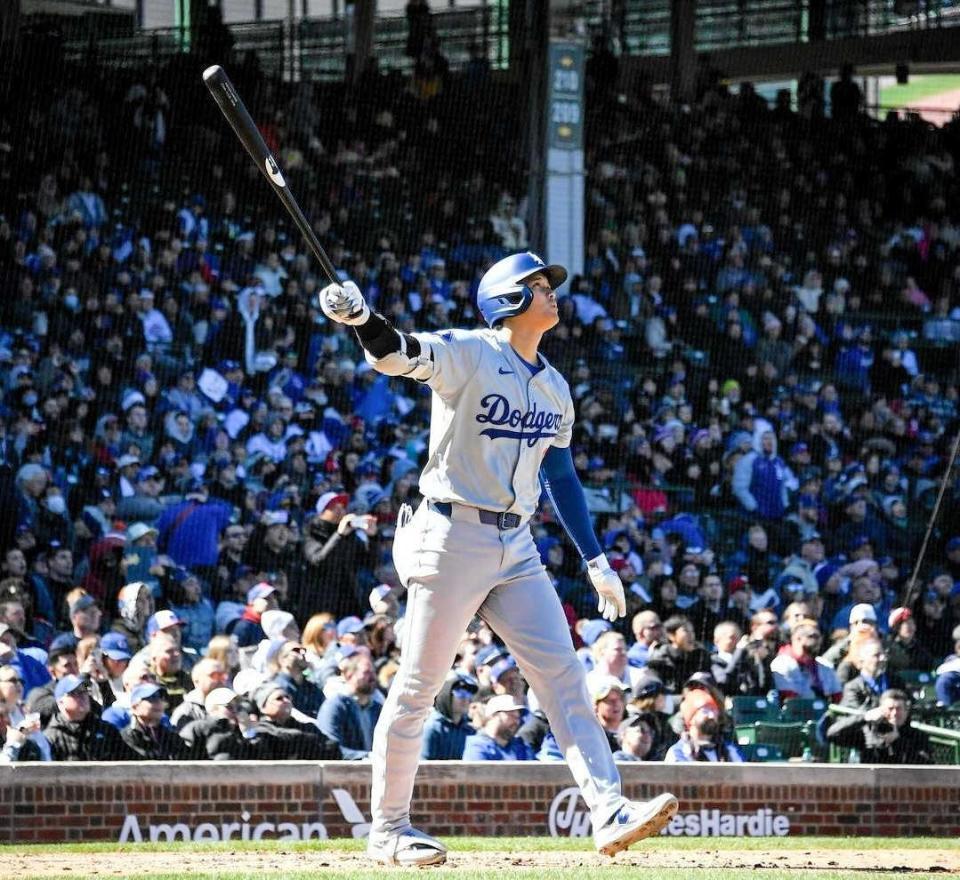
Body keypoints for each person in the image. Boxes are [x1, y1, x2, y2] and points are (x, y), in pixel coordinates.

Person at [319, 251, 677, 865]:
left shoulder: (555, 386)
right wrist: (361, 319)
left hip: (516, 543)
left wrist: (595, 560)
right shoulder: (471, 351)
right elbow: (398, 354)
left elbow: (560, 475)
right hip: (451, 533)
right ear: (509, 299)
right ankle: (389, 829)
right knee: (418, 687)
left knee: (563, 674)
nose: (551, 293)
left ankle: (609, 809)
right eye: (538, 286)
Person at [44, 675, 138, 761]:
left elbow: (127, 760)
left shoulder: (106, 729)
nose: (83, 696)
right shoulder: (51, 736)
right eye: (75, 693)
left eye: (84, 691)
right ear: (60, 702)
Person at [826, 689, 933, 764]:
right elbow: (833, 735)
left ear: (906, 711)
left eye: (899, 709)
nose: (894, 713)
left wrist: (897, 741)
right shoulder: (868, 730)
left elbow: (925, 763)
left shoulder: (918, 736)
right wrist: (864, 718)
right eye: (890, 709)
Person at [317, 650, 382, 758]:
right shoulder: (335, 706)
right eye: (366, 673)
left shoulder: (376, 708)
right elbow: (331, 748)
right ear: (349, 675)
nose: (372, 678)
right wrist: (368, 757)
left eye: (373, 673)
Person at [664, 688, 743, 763]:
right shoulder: (679, 753)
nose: (711, 715)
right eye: (705, 710)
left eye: (713, 710)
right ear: (691, 718)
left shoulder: (730, 750)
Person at [120, 682, 191, 759]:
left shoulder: (171, 737)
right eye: (152, 698)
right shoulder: (126, 738)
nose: (158, 702)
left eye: (161, 697)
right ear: (135, 708)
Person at [421, 672, 478, 760]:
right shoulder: (432, 728)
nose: (466, 699)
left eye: (469, 694)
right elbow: (423, 768)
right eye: (461, 693)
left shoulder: (469, 730)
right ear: (446, 694)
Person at [462, 693, 535, 761]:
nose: (516, 722)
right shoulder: (477, 746)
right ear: (493, 715)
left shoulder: (521, 746)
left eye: (518, 717)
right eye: (511, 715)